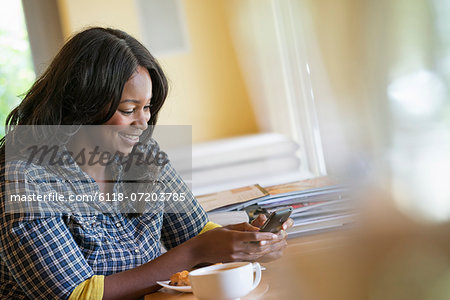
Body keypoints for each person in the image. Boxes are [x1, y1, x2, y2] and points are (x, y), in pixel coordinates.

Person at [0, 27, 292, 300]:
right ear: (82, 105)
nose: (144, 122)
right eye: (129, 110)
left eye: (148, 107)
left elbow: (194, 233)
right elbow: (78, 294)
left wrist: (245, 241)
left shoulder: (143, 155)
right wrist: (195, 253)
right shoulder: (25, 179)